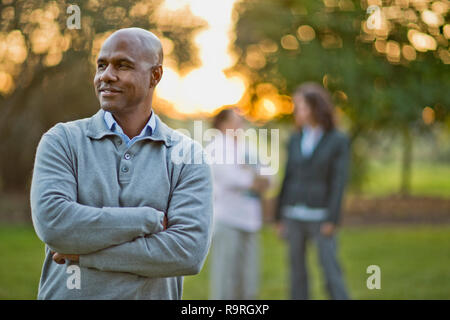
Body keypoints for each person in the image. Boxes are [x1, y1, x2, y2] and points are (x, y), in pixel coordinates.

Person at [30, 28, 213, 299]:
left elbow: (186, 253)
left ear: (155, 75)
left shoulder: (188, 155)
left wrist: (82, 254)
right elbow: (55, 224)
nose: (106, 75)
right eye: (101, 65)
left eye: (123, 65)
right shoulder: (62, 140)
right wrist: (146, 219)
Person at [276, 82, 350, 300]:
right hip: (293, 214)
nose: (297, 111)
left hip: (321, 216)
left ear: (315, 107)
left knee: (330, 270)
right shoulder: (295, 138)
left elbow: (339, 182)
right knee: (296, 273)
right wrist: (279, 216)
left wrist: (332, 218)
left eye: (301, 106)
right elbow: (287, 178)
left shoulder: (338, 139)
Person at [208, 109, 269, 300]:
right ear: (223, 124)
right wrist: (252, 176)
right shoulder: (216, 148)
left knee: (248, 276)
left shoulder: (246, 147)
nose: (241, 125)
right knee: (226, 277)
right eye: (236, 120)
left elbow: (267, 175)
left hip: (250, 219)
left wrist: (252, 175)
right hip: (227, 219)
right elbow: (232, 178)